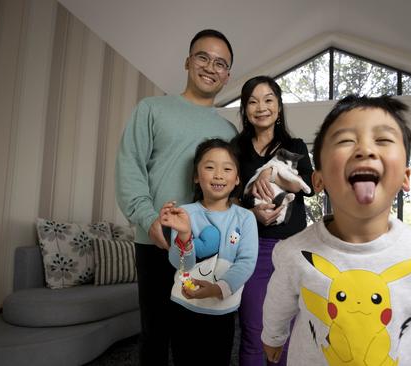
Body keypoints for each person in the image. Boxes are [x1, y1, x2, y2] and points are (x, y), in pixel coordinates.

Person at [261, 95, 411, 365]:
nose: (365, 150)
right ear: (319, 180)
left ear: (405, 178)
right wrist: (273, 336)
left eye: (383, 140)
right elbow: (278, 303)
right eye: (345, 140)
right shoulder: (294, 252)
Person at [115, 29, 236, 365]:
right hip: (157, 240)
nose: (211, 67)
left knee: (196, 338)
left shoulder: (230, 132)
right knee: (155, 335)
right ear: (187, 61)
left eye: (220, 63)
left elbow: (230, 188)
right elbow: (130, 166)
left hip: (205, 247)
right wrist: (147, 217)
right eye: (203, 57)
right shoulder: (152, 109)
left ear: (227, 76)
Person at [232, 76, 314, 366]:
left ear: (279, 108)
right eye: (252, 101)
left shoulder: (295, 146)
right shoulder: (237, 148)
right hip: (253, 249)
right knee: (255, 330)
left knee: (288, 334)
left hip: (293, 251)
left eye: (268, 100)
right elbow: (227, 199)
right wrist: (251, 213)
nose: (261, 107)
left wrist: (274, 174)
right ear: (245, 109)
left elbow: (310, 186)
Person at [160, 138, 258, 366]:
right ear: (196, 176)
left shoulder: (245, 218)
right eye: (209, 167)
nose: (218, 175)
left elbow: (246, 262)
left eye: (227, 168)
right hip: (184, 306)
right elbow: (178, 263)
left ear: (237, 179)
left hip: (222, 309)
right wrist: (184, 235)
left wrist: (217, 288)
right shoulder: (184, 213)